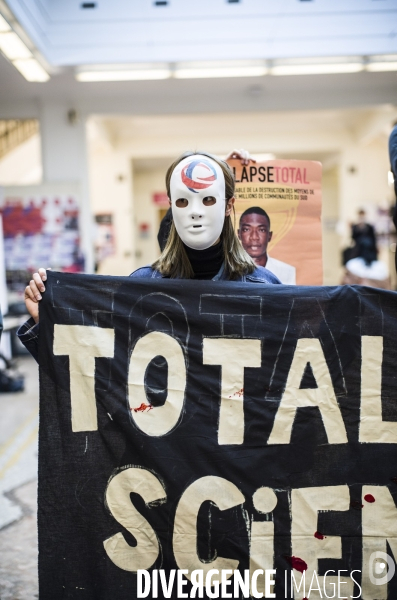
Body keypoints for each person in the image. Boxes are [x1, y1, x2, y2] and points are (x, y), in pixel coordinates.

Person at [18, 151, 281, 362]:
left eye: (209, 200)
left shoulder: (265, 288)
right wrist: (47, 321)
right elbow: (100, 368)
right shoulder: (141, 288)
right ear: (171, 204)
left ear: (229, 205)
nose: (196, 212)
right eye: (183, 201)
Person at [238, 207, 296, 284]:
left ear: (269, 235)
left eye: (261, 230)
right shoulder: (228, 271)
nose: (254, 237)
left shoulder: (287, 271)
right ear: (239, 234)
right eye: (246, 229)